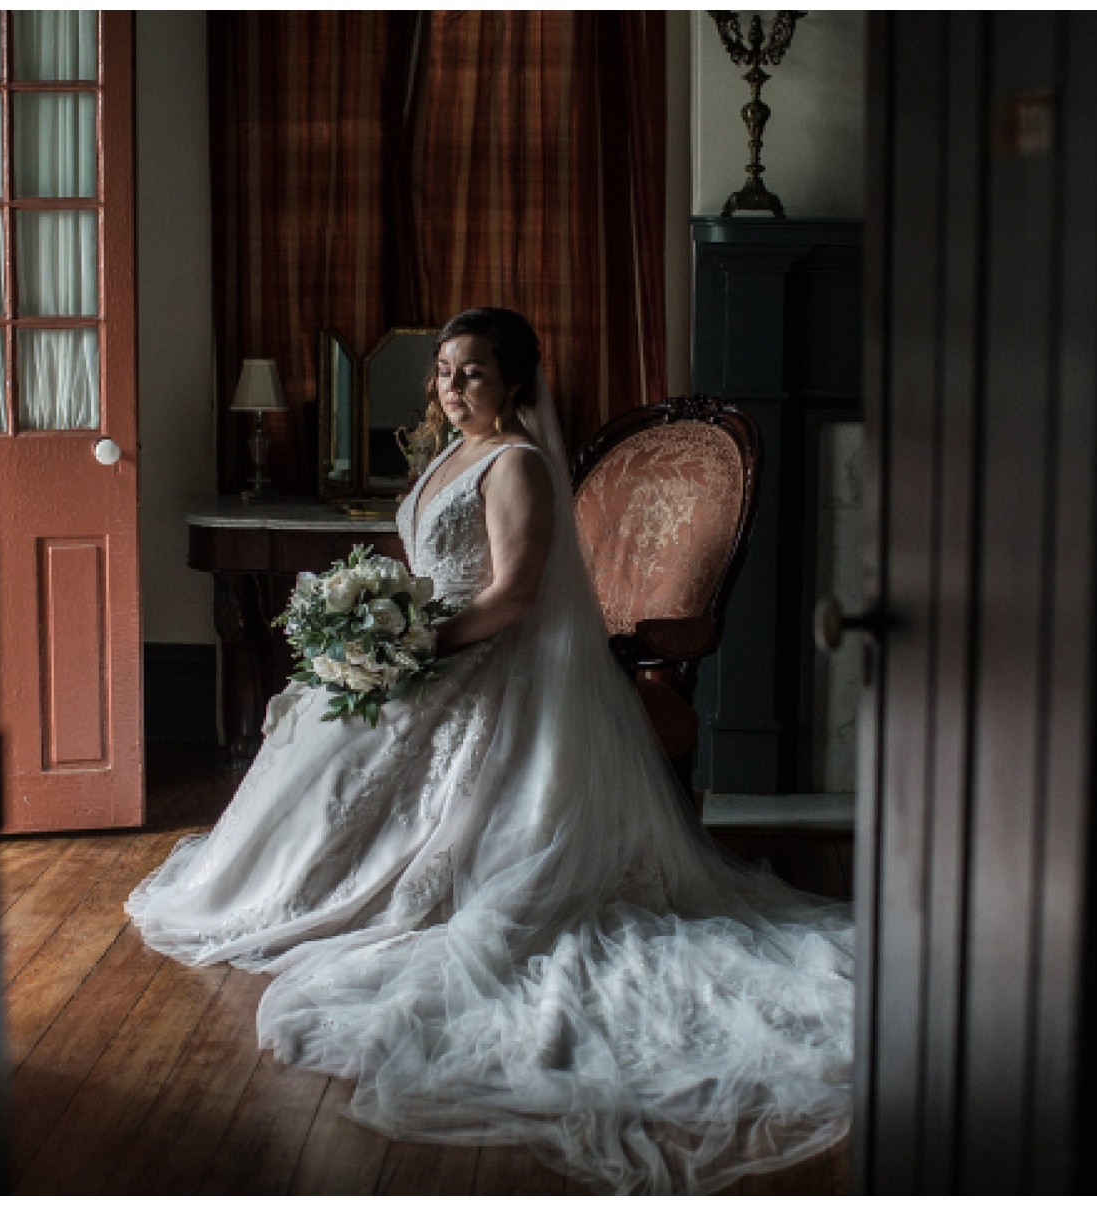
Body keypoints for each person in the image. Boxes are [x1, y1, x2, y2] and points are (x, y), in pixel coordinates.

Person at [127, 308, 854, 1194]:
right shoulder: (447, 457)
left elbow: (511, 596)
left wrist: (416, 650)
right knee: (324, 743)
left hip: (487, 657)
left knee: (376, 753)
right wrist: (381, 629)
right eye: (444, 371)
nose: (454, 385)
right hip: (434, 640)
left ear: (515, 382)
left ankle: (359, 882)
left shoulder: (519, 465)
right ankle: (293, 882)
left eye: (473, 372)